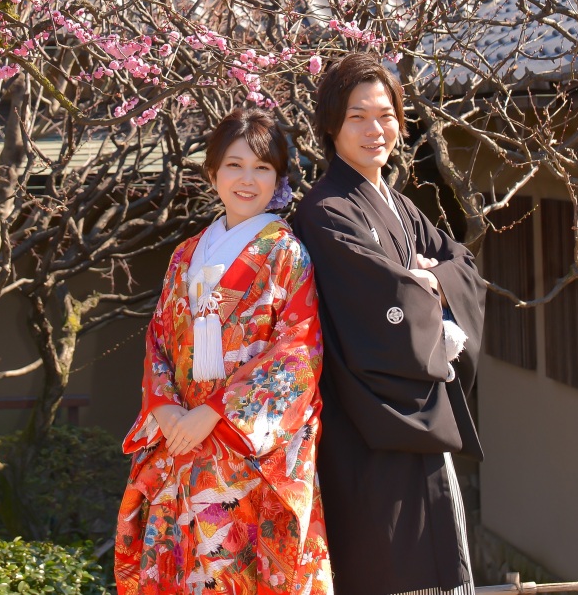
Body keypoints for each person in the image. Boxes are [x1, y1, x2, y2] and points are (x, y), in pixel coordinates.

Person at [115, 107, 333, 595]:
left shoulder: (285, 253)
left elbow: (295, 354)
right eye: (234, 165)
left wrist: (213, 414)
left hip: (241, 446)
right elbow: (159, 339)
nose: (247, 180)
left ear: (277, 179)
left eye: (262, 168)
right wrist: (168, 409)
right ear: (213, 173)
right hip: (180, 442)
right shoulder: (186, 254)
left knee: (234, 570)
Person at [293, 52, 486, 595]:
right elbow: (383, 300)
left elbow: (461, 266)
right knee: (390, 566)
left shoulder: (398, 204)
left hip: (417, 410)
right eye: (357, 116)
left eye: (386, 115)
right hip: (369, 422)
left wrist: (436, 282)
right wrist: (417, 282)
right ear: (331, 125)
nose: (375, 130)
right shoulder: (326, 209)